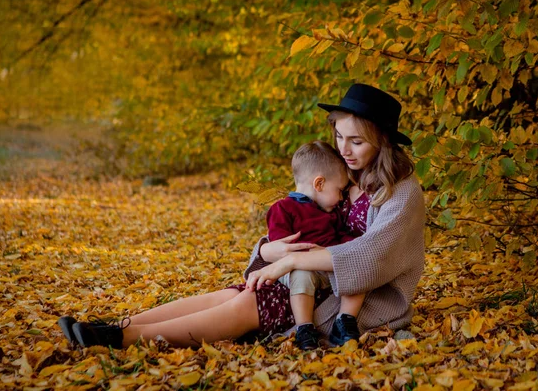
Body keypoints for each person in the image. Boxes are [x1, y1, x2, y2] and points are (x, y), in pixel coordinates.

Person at [57, 83, 425, 350]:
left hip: (352, 298)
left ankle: (120, 339)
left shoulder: (401, 192)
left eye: (356, 142)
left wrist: (288, 264)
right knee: (230, 294)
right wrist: (269, 254)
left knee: (247, 304)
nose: (343, 149)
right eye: (340, 136)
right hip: (306, 279)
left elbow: (373, 255)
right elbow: (297, 220)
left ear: (383, 143)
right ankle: (120, 323)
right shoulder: (345, 176)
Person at [265, 140, 365, 350]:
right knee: (302, 275)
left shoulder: (331, 213)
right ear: (319, 184)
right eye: (339, 190)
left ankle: (345, 321)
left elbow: (343, 237)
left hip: (327, 265)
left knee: (356, 266)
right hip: (296, 268)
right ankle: (305, 327)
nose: (341, 198)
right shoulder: (282, 209)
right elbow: (280, 247)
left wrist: (353, 249)